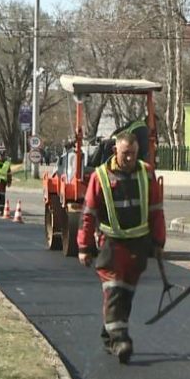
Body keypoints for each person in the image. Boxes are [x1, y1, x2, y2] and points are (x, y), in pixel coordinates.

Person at [77, 131, 166, 364]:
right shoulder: (100, 177)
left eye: (133, 154)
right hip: (111, 246)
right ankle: (120, 341)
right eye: (125, 153)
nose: (129, 158)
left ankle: (109, 334)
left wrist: (158, 242)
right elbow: (88, 214)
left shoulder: (146, 173)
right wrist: (84, 246)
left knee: (125, 294)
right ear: (115, 150)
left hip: (138, 246)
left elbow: (156, 210)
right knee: (114, 289)